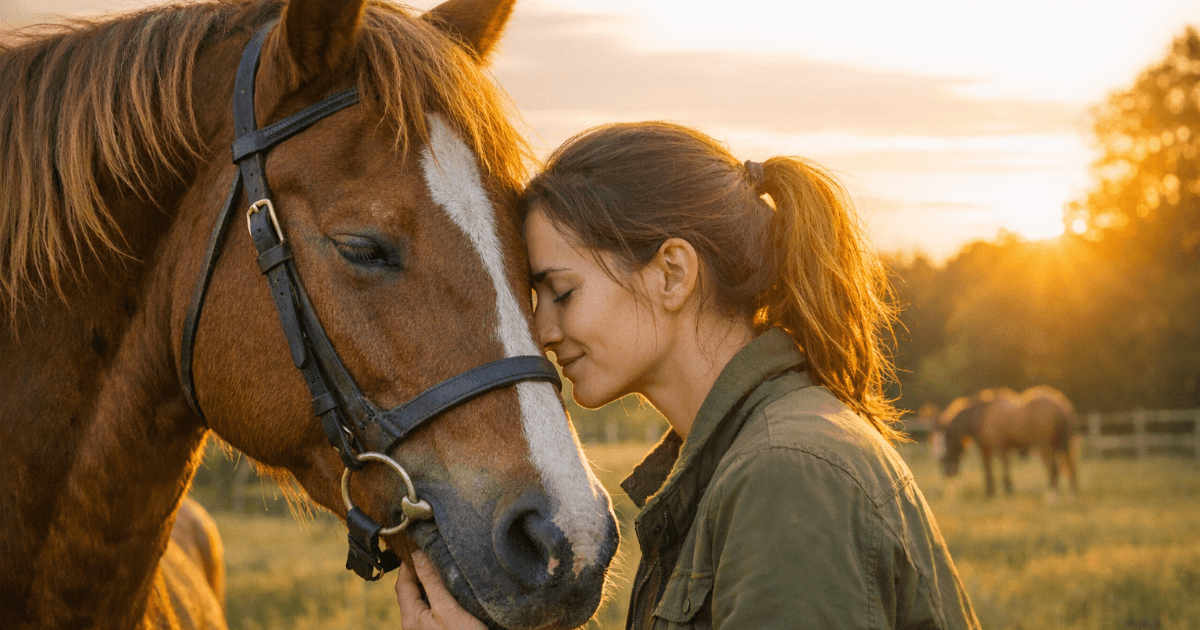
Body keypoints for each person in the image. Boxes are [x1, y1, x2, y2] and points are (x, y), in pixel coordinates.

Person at [396, 121, 980, 629]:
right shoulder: (742, 459)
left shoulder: (787, 471)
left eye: (562, 292)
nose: (542, 332)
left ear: (672, 273)